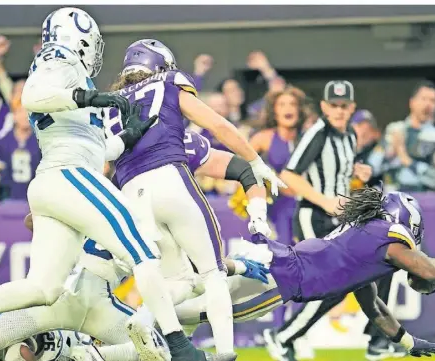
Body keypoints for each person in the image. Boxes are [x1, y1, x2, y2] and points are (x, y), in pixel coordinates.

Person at [0, 8, 195, 361]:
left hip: (56, 179)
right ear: (79, 37)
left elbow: (95, 147)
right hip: (68, 174)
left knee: (43, 288)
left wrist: (128, 136)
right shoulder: (59, 57)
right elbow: (32, 95)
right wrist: (88, 98)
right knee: (142, 248)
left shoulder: (71, 78)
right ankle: (181, 348)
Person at [106, 38, 285, 360]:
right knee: (211, 273)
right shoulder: (169, 84)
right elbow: (217, 124)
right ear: (162, 67)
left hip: (131, 195)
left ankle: (144, 319)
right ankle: (226, 353)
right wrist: (257, 160)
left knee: (176, 281)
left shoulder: (108, 105)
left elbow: (103, 168)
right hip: (169, 180)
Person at [255, 187, 435, 360]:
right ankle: (281, 337)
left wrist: (408, 341)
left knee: (226, 320)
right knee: (225, 318)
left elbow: (374, 307)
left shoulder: (362, 244)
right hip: (270, 275)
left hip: (277, 273)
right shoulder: (387, 235)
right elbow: (432, 273)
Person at [265, 81, 372, 361]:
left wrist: (359, 175)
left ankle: (286, 336)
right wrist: (325, 201)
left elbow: (340, 178)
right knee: (333, 283)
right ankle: (284, 336)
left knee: (356, 276)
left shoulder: (349, 135)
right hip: (313, 215)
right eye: (333, 106)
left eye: (344, 106)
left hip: (336, 218)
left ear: (352, 108)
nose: (338, 111)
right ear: (324, 107)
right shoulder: (318, 133)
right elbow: (289, 175)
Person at [249, 86, 306, 244]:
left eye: (293, 104)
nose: (288, 108)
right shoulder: (263, 138)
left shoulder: (309, 137)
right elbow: (240, 167)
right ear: (274, 111)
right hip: (278, 208)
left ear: (299, 110)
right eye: (282, 104)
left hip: (306, 204)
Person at [381, 80, 435, 192]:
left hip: (421, 199)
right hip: (391, 199)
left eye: (433, 101)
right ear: (412, 102)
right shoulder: (394, 129)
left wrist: (407, 160)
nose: (428, 105)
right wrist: (389, 154)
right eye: (424, 99)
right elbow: (373, 167)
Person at [0, 105, 41, 203]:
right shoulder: (3, 140)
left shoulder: (41, 141)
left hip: (35, 200)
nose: (24, 116)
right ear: (13, 116)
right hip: (8, 198)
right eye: (20, 112)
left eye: (28, 112)